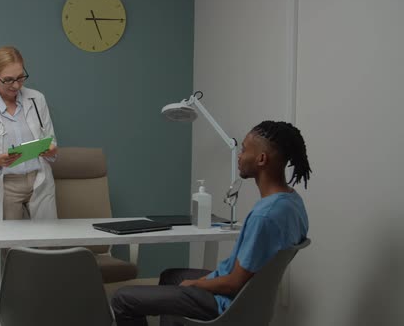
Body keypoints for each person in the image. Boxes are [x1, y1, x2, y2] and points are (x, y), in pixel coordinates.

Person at [111, 120, 312, 326]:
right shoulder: (292, 202)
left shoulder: (264, 216)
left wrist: (198, 284)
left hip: (227, 302)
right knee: (170, 276)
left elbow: (233, 284)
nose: (240, 156)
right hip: (247, 294)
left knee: (123, 299)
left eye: (243, 150)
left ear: (261, 159)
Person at [0, 46, 57, 221]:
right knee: (12, 244)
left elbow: (51, 140)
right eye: (9, 80)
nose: (16, 85)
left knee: (47, 241)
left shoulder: (37, 99)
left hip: (39, 180)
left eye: (20, 77)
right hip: (7, 185)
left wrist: (52, 150)